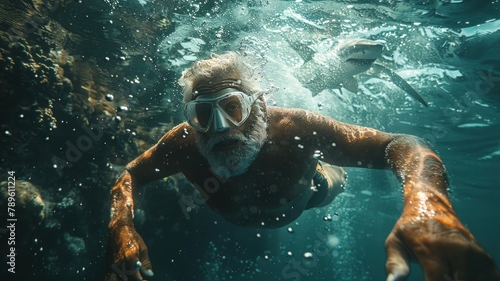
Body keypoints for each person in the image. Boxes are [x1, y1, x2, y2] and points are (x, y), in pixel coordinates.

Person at [105, 52, 500, 281]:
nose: (220, 127)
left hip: (314, 192)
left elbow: (405, 145)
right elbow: (129, 175)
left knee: (326, 178)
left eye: (233, 107)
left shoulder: (298, 128)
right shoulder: (183, 144)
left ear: (259, 106)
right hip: (250, 211)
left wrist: (428, 205)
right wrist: (120, 226)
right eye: (202, 114)